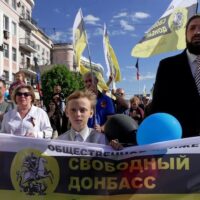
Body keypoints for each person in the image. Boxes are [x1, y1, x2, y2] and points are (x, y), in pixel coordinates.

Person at [149, 14, 200, 138]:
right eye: (192, 28)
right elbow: (158, 108)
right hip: (180, 147)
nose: (197, 32)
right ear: (185, 34)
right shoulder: (167, 66)